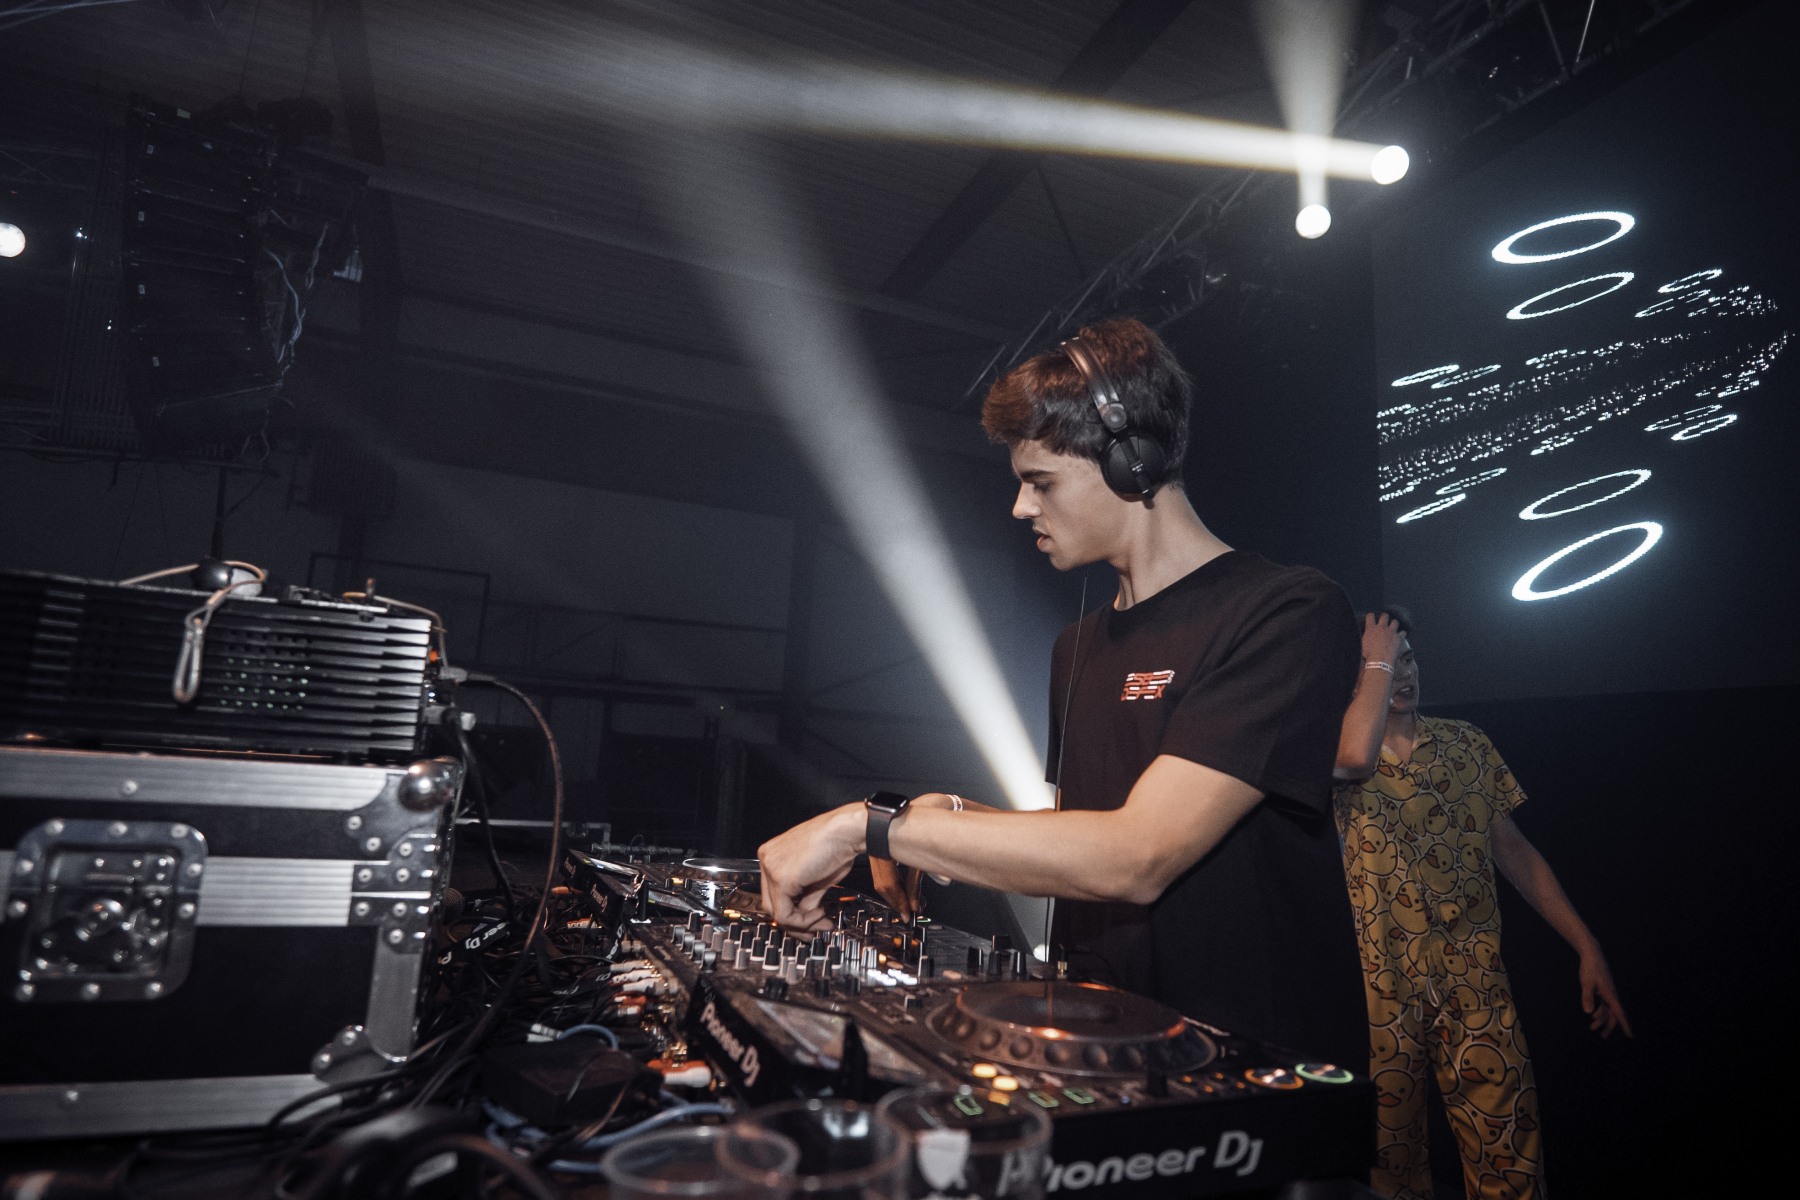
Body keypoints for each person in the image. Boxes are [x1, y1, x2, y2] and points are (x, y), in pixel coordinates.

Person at [757, 318, 1369, 1068]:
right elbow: (1088, 826)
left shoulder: (1284, 613)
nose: (1020, 507)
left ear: (1132, 465)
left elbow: (1137, 853)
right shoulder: (1075, 646)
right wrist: (940, 818)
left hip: (1251, 1066)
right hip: (1101, 1045)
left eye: (1040, 481)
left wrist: (870, 827)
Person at [1334, 607, 1632, 1200]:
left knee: (1511, 1163)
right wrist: (1374, 669)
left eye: (1409, 657)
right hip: (1378, 996)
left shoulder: (1466, 743)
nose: (1403, 673)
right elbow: (1351, 757)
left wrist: (1586, 944)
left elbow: (1515, 854)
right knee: (1388, 1168)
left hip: (1475, 985)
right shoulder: (1332, 753)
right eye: (1387, 663)